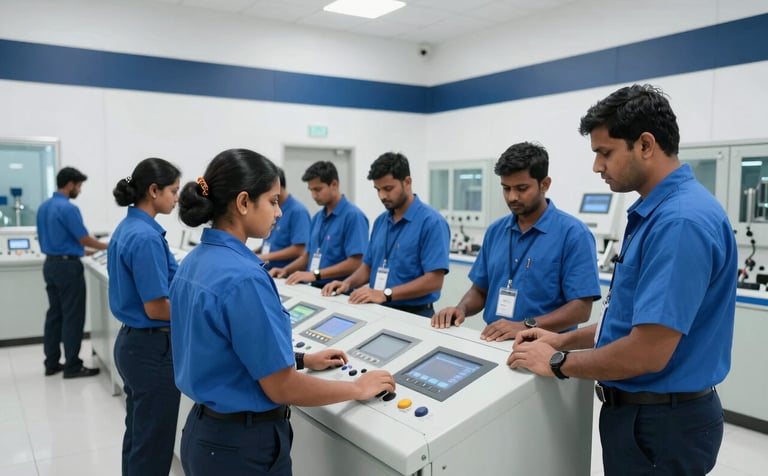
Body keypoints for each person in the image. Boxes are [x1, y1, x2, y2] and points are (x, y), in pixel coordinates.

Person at [508, 84, 737, 476]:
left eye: (605, 152)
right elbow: (629, 321)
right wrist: (562, 338)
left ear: (645, 145)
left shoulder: (679, 222)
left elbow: (647, 352)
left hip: (663, 426)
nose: (597, 166)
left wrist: (559, 362)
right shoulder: (655, 214)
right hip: (641, 416)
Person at [170, 149, 395, 476]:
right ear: (244, 202)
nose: (279, 213)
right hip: (243, 448)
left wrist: (303, 360)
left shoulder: (193, 263)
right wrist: (358, 388)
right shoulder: (244, 278)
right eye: (273, 201)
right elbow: (283, 388)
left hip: (204, 436)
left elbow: (226, 350)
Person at [431, 142, 601, 341]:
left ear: (544, 184)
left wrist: (524, 326)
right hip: (494, 341)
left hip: (545, 348)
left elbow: (581, 309)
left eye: (521, 188)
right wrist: (461, 309)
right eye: (506, 188)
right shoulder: (496, 231)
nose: (512, 197)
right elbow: (480, 290)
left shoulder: (574, 234)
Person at [107, 158, 182, 476]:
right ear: (154, 190)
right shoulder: (146, 237)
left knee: (139, 437)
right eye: (173, 190)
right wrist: (198, 316)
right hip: (153, 351)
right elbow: (156, 307)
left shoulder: (128, 228)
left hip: (133, 346)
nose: (177, 198)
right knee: (153, 445)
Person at [321, 152, 450, 317]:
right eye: (378, 190)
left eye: (388, 189)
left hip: (414, 314)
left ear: (407, 182)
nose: (382, 196)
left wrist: (385, 294)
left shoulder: (431, 222)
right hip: (379, 308)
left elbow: (434, 281)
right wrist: (347, 283)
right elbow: (367, 267)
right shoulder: (381, 221)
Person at [37, 166, 107, 378]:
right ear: (70, 185)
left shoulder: (44, 207)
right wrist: (108, 247)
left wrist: (88, 251)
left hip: (50, 266)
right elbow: (83, 238)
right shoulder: (68, 209)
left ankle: (51, 362)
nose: (80, 190)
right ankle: (73, 365)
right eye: (79, 185)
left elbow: (65, 243)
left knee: (55, 315)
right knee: (73, 317)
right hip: (68, 269)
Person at [269, 161, 368, 287]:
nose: (314, 195)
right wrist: (286, 270)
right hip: (315, 287)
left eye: (318, 189)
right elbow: (307, 256)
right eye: (311, 190)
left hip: (339, 292)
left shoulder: (353, 216)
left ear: (334, 184)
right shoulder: (317, 218)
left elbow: (356, 262)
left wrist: (315, 274)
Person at [253, 167, 311, 270]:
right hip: (268, 270)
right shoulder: (272, 208)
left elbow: (300, 249)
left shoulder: (297, 211)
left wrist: (264, 256)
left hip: (286, 276)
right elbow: (271, 244)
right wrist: (252, 253)